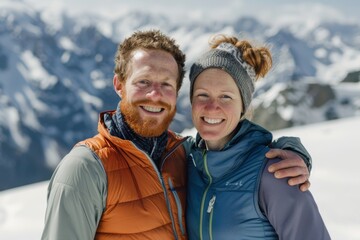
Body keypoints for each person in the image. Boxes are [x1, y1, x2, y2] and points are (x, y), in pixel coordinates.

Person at [41, 30, 312, 240]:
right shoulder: (85, 169)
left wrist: (293, 151)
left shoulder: (185, 156)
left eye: (166, 84)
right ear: (119, 85)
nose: (155, 94)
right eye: (143, 82)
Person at [186, 34, 331, 239]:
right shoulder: (186, 163)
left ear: (243, 106)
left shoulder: (276, 173)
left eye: (226, 96)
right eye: (202, 95)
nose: (212, 107)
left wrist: (294, 151)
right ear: (191, 100)